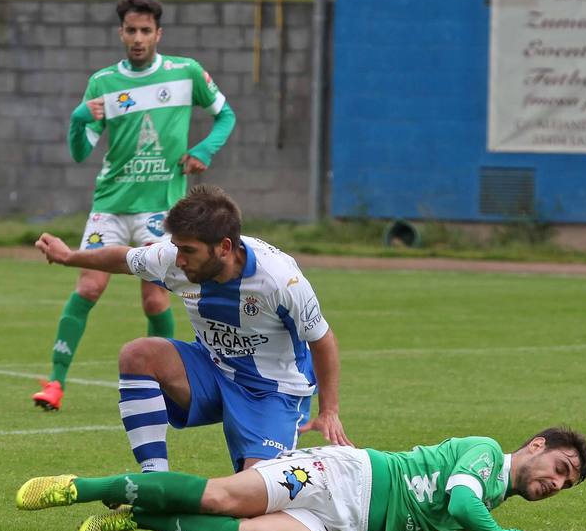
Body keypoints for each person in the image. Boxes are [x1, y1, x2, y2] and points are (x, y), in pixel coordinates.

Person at [35, 184, 350, 473]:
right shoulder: (172, 258)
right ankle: (154, 480)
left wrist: (329, 411)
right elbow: (124, 259)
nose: (179, 259)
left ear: (224, 247)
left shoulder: (281, 280)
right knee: (138, 354)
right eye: (177, 248)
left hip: (271, 390)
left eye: (188, 251)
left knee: (254, 498)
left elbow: (322, 340)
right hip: (211, 370)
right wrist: (69, 257)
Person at [34, 0, 235, 413]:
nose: (138, 38)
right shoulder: (103, 82)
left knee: (155, 300)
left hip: (160, 211)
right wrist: (77, 118)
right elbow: (79, 150)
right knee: (89, 285)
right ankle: (55, 381)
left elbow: (225, 115)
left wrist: (205, 150)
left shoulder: (186, 73)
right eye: (131, 30)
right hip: (109, 204)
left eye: (146, 30)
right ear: (120, 33)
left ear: (158, 33)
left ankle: (163, 381)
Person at [15, 426, 586, 531]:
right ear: (537, 444)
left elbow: (462, 518)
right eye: (561, 466)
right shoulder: (487, 454)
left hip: (348, 529)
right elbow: (462, 503)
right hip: (346, 476)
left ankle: (141, 520)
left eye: (565, 484)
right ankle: (81, 486)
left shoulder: (496, 496)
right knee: (220, 495)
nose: (555, 482)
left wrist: (514, 529)